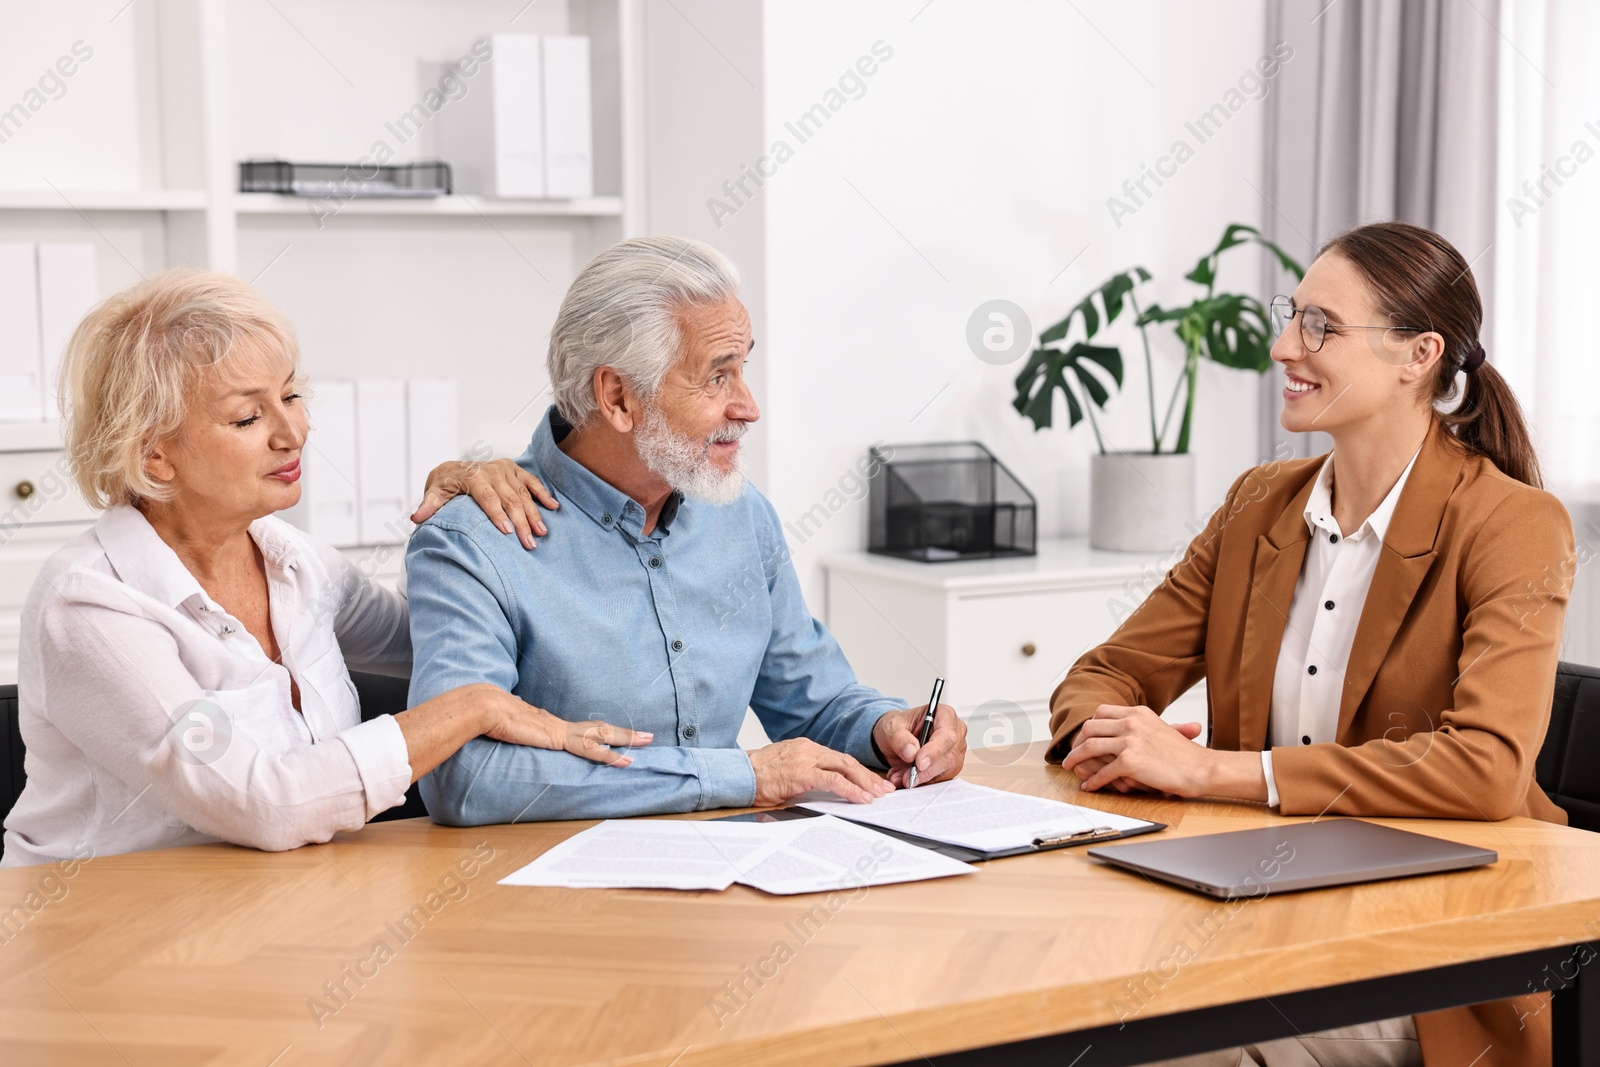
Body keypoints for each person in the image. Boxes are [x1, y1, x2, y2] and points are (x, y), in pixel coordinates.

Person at [1051, 221, 1572, 1067]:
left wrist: (1216, 771)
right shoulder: (1259, 503)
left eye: (1320, 326)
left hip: (1432, 955)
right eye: (1290, 315)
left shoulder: (1512, 524)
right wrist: (1105, 734)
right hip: (1253, 912)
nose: (1283, 345)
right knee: (1047, 1014)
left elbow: (1486, 767)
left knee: (1155, 1049)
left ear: (1420, 355)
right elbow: (1107, 672)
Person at [1, 270, 648, 868]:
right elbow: (264, 802)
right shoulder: (89, 604)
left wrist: (466, 526)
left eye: (291, 394)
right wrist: (473, 706)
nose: (293, 431)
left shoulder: (293, 560)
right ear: (156, 456)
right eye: (248, 416)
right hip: (101, 945)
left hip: (278, 910)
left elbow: (436, 637)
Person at [407, 235, 967, 824]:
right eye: (717, 378)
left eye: (742, 368)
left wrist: (888, 730)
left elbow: (813, 703)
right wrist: (738, 776)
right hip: (553, 903)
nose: (749, 406)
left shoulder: (741, 517)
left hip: (729, 881)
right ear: (618, 397)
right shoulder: (473, 542)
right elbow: (462, 775)